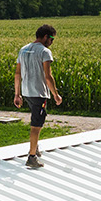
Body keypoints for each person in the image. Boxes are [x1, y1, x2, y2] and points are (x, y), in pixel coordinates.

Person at [13, 24, 63, 169]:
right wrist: (55, 94)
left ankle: (35, 148)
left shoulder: (23, 49)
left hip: (27, 92)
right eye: (52, 39)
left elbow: (17, 74)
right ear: (46, 36)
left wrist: (17, 94)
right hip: (38, 93)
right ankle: (32, 157)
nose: (52, 42)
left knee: (36, 120)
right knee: (36, 125)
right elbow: (48, 76)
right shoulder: (44, 51)